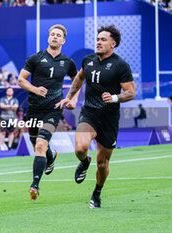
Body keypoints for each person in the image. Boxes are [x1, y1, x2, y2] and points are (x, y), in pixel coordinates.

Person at [56, 25, 135, 208]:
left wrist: (115, 97)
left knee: (102, 164)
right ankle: (84, 162)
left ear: (113, 44)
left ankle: (97, 192)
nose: (98, 42)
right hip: (89, 112)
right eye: (98, 39)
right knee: (80, 148)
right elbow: (79, 78)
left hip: (109, 118)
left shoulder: (120, 65)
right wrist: (69, 96)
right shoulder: (88, 60)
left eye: (103, 40)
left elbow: (130, 92)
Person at [17, 24, 78, 200]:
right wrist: (35, 89)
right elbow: (21, 79)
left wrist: (72, 99)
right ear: (48, 38)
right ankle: (51, 156)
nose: (55, 37)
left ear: (63, 40)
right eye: (52, 34)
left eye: (58, 35)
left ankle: (34, 186)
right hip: (34, 107)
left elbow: (77, 82)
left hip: (54, 109)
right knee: (37, 143)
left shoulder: (68, 62)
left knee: (41, 143)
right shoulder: (35, 58)